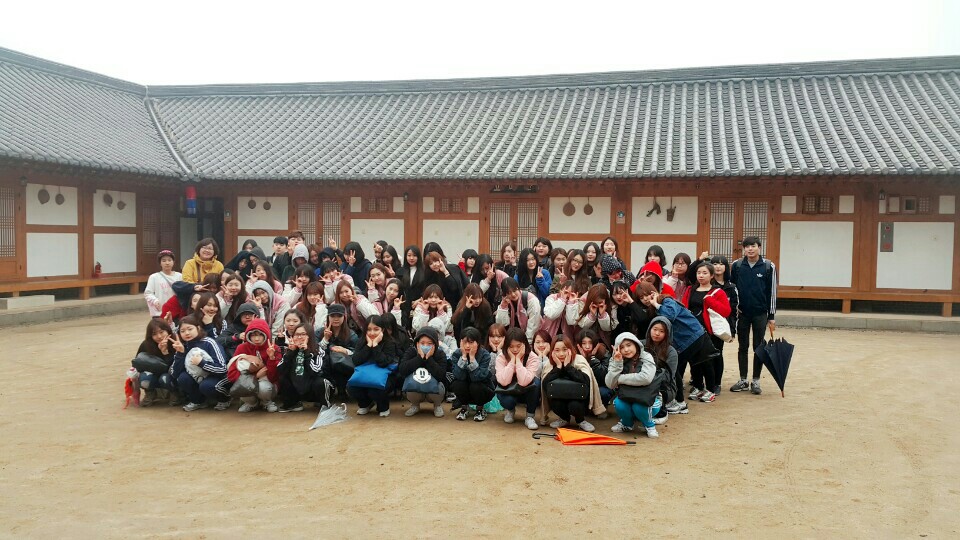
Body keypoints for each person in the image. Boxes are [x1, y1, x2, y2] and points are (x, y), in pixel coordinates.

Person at [638, 281, 721, 413]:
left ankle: (682, 401)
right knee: (689, 365)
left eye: (647, 295)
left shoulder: (666, 301)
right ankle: (694, 392)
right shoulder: (654, 308)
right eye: (641, 298)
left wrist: (656, 304)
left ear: (654, 292)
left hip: (693, 336)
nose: (645, 299)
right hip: (685, 341)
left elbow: (669, 316)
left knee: (680, 367)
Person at [730, 236, 777, 395]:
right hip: (742, 314)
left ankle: (756, 380)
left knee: (759, 347)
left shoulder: (768, 266)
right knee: (742, 347)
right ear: (744, 249)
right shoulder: (737, 265)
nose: (750, 249)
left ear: (759, 247)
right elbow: (732, 288)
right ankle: (743, 379)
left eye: (753, 246)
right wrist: (734, 307)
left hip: (760, 314)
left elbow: (772, 292)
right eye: (747, 246)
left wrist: (771, 316)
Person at [681, 259, 731, 399]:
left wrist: (710, 300)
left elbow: (726, 311)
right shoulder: (690, 290)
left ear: (712, 276)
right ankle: (698, 386)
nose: (701, 275)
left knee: (709, 361)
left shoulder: (717, 292)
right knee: (694, 360)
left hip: (710, 332)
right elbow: (684, 307)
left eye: (704, 273)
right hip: (693, 331)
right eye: (699, 273)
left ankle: (711, 389)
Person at [540, 334, 604, 432]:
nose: (561, 354)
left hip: (579, 399)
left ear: (570, 349)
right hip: (560, 397)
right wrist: (558, 367)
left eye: (564, 349)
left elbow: (586, 381)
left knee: (574, 406)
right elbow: (545, 385)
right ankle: (564, 419)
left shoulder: (579, 359)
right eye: (557, 350)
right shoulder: (550, 363)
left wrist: (568, 366)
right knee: (556, 403)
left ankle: (580, 420)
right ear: (552, 351)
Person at [171, 315, 230, 412]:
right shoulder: (183, 345)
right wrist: (180, 353)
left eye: (190, 329)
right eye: (183, 331)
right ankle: (198, 401)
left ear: (198, 328)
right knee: (183, 378)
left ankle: (225, 399)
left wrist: (202, 363)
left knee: (206, 386)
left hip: (217, 376)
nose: (187, 333)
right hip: (197, 377)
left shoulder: (209, 342)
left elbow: (222, 369)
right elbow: (175, 373)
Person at [607, 332, 661, 437]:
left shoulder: (646, 357)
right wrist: (617, 364)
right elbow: (610, 384)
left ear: (636, 344)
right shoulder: (615, 358)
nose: (626, 350)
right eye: (622, 347)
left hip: (648, 398)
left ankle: (649, 425)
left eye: (629, 345)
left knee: (639, 406)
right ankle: (627, 424)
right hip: (627, 395)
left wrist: (620, 378)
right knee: (619, 403)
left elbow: (645, 378)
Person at [349, 315, 400, 417]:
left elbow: (383, 362)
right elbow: (356, 360)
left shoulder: (390, 343)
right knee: (352, 386)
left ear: (382, 330)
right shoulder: (362, 341)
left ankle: (383, 407)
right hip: (364, 373)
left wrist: (375, 345)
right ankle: (365, 404)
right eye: (369, 329)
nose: (372, 333)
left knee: (375, 389)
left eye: (376, 329)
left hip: (385, 374)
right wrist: (368, 345)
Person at [226, 318, 281, 413]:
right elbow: (231, 375)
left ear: (266, 335)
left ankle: (267, 402)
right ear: (248, 335)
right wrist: (255, 376)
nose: (256, 339)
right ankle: (251, 403)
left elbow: (275, 377)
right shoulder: (241, 348)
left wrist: (271, 358)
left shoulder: (274, 348)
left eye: (260, 335)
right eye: (253, 335)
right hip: (248, 382)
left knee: (264, 387)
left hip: (268, 384)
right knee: (242, 385)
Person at [277, 322, 331, 412]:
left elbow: (316, 372)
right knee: (283, 378)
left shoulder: (318, 350)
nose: (299, 337)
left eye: (303, 334)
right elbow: (280, 370)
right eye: (297, 334)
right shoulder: (290, 350)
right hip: (298, 389)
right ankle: (292, 404)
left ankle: (324, 405)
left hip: (314, 389)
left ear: (310, 336)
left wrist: (306, 353)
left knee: (320, 382)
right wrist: (290, 353)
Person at [494, 327, 541, 430]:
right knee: (508, 401)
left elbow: (524, 382)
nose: (515, 350)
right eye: (511, 346)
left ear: (524, 344)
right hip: (508, 390)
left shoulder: (532, 357)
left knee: (536, 383)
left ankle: (530, 416)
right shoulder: (501, 357)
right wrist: (512, 361)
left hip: (525, 391)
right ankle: (510, 411)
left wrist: (518, 361)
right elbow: (503, 382)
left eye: (518, 346)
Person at [398, 327, 448, 418]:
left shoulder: (440, 354)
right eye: (422, 343)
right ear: (417, 343)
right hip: (416, 387)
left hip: (433, 390)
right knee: (410, 389)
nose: (425, 346)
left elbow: (441, 376)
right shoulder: (411, 351)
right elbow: (402, 370)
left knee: (440, 387)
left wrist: (429, 359)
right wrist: (419, 358)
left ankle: (437, 406)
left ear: (435, 344)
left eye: (429, 343)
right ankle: (415, 405)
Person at [450, 327, 495, 422]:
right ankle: (464, 408)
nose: (467, 346)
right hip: (465, 388)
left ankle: (480, 409)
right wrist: (463, 358)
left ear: (477, 343)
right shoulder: (456, 354)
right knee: (457, 384)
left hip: (482, 389)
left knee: (476, 385)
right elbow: (458, 376)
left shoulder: (485, 355)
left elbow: (478, 377)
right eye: (464, 342)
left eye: (471, 342)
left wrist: (472, 358)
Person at [135, 318, 178, 406]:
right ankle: (151, 393)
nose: (159, 336)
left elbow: (176, 366)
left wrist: (165, 352)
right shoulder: (146, 344)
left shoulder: (175, 342)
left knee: (164, 378)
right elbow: (138, 362)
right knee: (144, 378)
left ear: (168, 330)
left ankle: (175, 393)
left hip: (169, 374)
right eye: (154, 334)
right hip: (153, 374)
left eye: (161, 332)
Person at [711, 255, 738, 391]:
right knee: (703, 354)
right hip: (706, 324)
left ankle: (717, 383)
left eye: (721, 264)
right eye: (715, 263)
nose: (718, 266)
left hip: (721, 327)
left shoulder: (731, 287)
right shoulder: (706, 284)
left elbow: (733, 312)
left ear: (726, 267)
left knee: (717, 353)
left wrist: (732, 330)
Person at [644, 316, 678, 426]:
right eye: (655, 329)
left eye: (662, 331)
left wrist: (648, 378)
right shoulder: (640, 345)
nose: (657, 333)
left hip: (664, 386)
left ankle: (662, 412)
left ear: (667, 334)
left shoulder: (671, 352)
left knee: (656, 388)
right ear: (649, 329)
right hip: (642, 380)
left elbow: (668, 376)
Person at [321, 303, 360, 398]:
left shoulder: (351, 334)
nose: (336, 319)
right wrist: (325, 339)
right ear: (328, 317)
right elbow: (315, 350)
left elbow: (359, 352)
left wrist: (345, 351)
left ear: (344, 317)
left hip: (345, 366)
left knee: (339, 363)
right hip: (326, 365)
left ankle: (343, 389)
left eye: (339, 316)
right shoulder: (320, 332)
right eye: (332, 316)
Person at [495, 278, 542, 343]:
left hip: (532, 337)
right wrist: (503, 307)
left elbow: (533, 324)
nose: (513, 294)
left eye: (514, 290)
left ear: (518, 288)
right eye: (509, 293)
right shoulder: (506, 301)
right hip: (513, 336)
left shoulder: (531, 300)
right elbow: (502, 324)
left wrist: (527, 342)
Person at [578, 328, 612, 407]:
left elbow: (604, 377)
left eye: (590, 343)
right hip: (584, 385)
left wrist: (593, 359)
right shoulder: (576, 354)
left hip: (602, 385)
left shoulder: (604, 352)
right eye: (584, 343)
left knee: (603, 393)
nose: (587, 346)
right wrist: (582, 359)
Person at [145, 249, 182, 316]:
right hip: (160, 312)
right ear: (160, 263)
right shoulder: (154, 277)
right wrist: (155, 301)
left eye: (169, 260)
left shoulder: (179, 276)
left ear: (173, 262)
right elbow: (148, 293)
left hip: (175, 311)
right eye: (164, 261)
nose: (167, 263)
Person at [398, 245, 425, 329]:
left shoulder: (424, 271)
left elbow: (427, 289)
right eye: (409, 255)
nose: (411, 258)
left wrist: (420, 300)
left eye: (414, 255)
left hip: (419, 305)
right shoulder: (401, 271)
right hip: (404, 306)